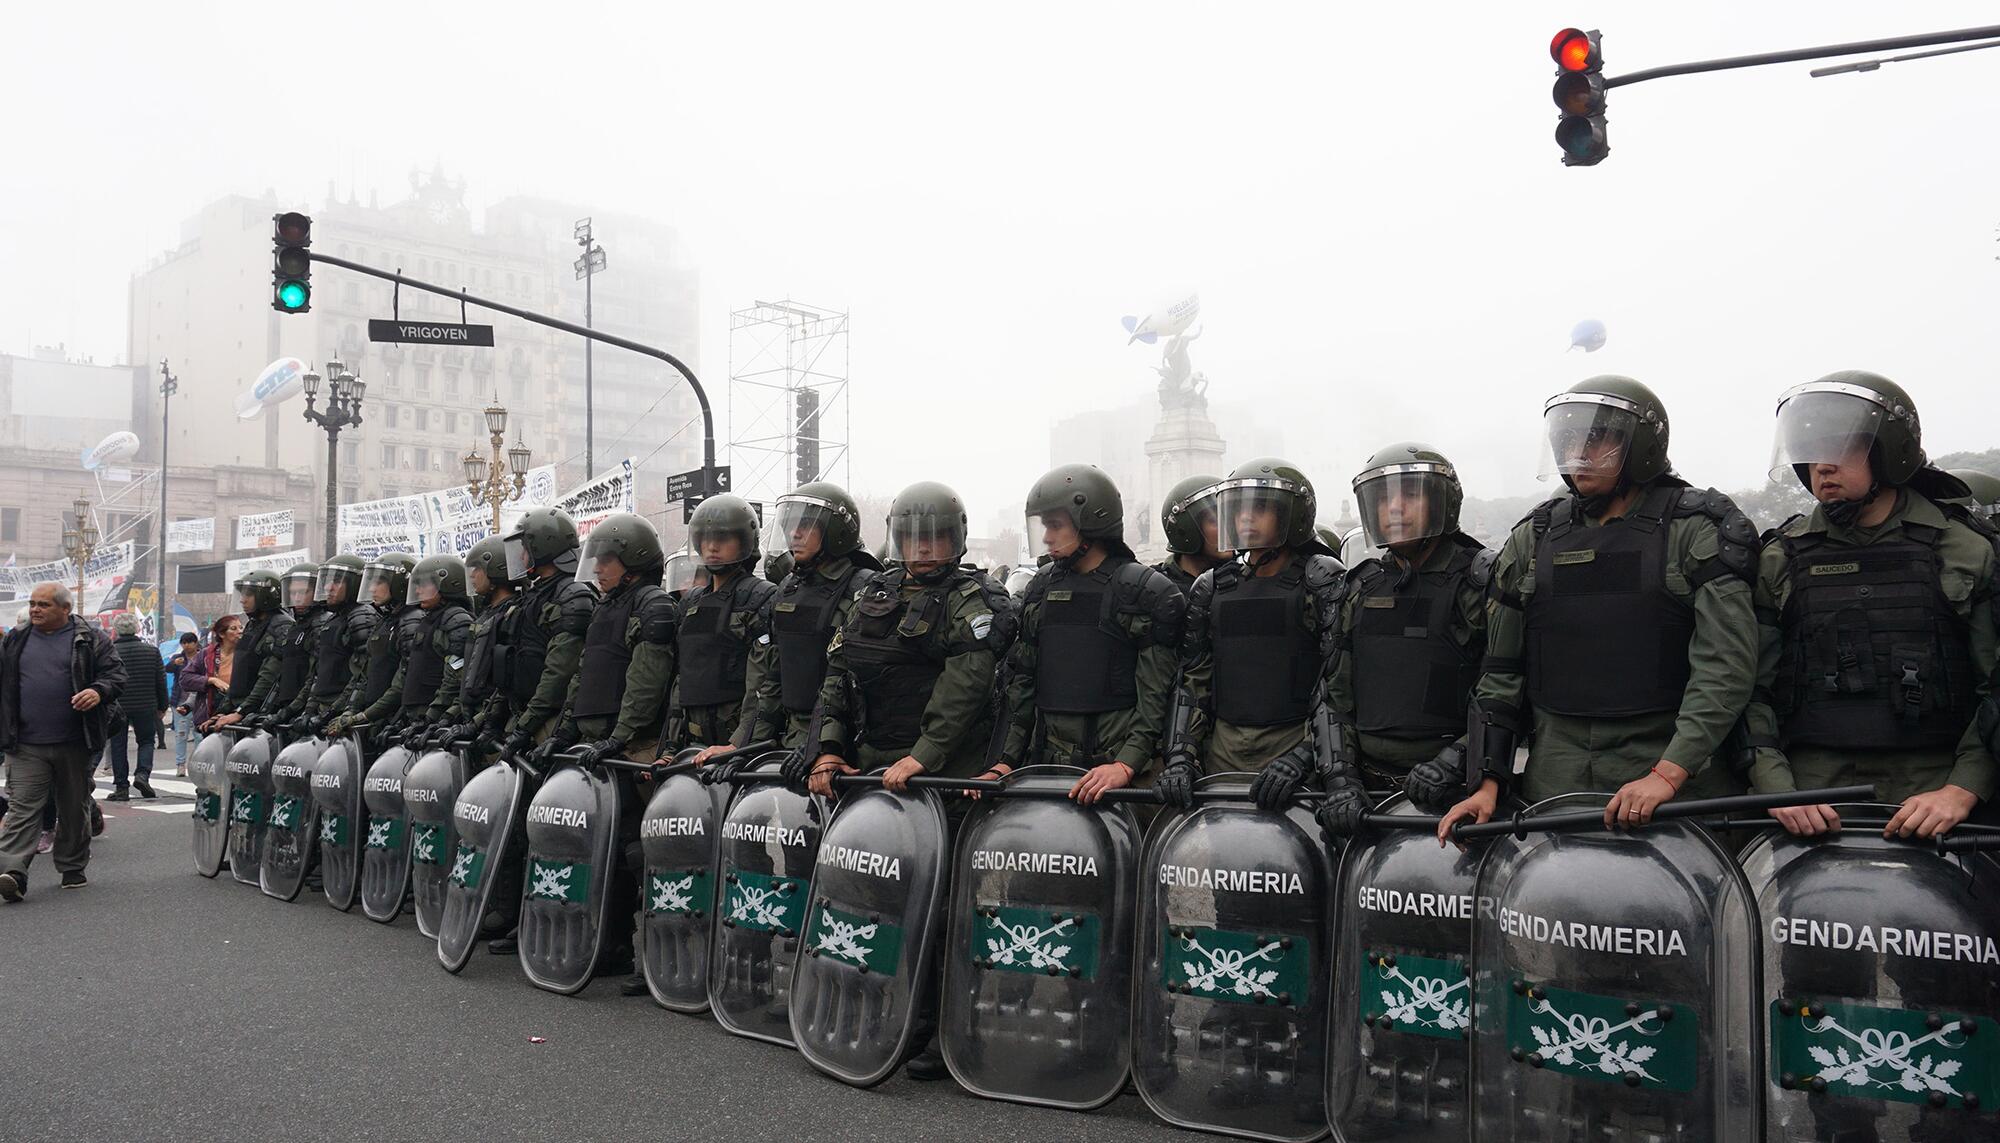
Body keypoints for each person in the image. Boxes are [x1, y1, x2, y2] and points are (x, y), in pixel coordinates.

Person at [1438, 376, 1761, 841]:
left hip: (1670, 790)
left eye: (1596, 437)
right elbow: (1502, 673)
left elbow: (1725, 667)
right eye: (1567, 438)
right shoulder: (1535, 536)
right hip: (1556, 787)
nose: (1579, 451)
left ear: (1641, 445)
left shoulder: (1694, 530)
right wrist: (1487, 781)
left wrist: (1668, 773)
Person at [798, 480, 1016, 1080]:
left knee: (941, 907)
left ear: (958, 538)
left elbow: (966, 688)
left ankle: (936, 1031)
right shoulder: (874, 592)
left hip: (938, 777)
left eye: (936, 537)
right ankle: (873, 1011)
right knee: (867, 896)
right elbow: (839, 674)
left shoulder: (978, 598)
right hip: (875, 770)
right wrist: (829, 750)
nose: (923, 549)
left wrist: (923, 757)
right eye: (913, 537)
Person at [1747, 372, 1999, 838]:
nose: (1821, 468)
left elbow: (1994, 687)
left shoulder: (1964, 550)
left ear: (1889, 451)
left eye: (1840, 449)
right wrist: (1777, 789)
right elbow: (1751, 693)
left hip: (1934, 798)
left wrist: (1963, 789)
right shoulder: (1780, 558)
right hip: (1811, 800)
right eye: (1811, 454)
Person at [1156, 458, 1364, 827]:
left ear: (1292, 515)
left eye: (1261, 508)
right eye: (1238, 509)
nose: (1246, 518)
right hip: (1224, 751)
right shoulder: (1212, 586)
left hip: (1293, 748)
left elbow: (1337, 685)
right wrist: (1179, 759)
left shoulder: (1319, 580)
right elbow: (1193, 681)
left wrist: (1305, 758)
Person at [545, 513, 678, 995]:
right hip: (600, 743)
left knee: (642, 853)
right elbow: (583, 676)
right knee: (602, 848)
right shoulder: (605, 607)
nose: (597, 567)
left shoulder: (652, 605)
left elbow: (646, 682)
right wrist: (564, 732)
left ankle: (657, 958)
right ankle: (615, 944)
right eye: (595, 558)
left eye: (607, 559)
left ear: (635, 561)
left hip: (632, 746)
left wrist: (620, 738)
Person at [996, 464, 1184, 806]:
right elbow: (1022, 684)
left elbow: (1155, 694)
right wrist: (1003, 762)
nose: (1047, 537)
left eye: (1056, 525)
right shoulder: (1040, 587)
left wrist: (1127, 764)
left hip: (1117, 776)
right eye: (1044, 526)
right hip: (1049, 771)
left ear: (1092, 522)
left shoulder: (1140, 591)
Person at [1326, 444, 1492, 811]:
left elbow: (1506, 691)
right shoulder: (1361, 587)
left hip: (1456, 791)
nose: (1395, 508)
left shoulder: (1478, 582)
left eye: (1411, 495)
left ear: (1442, 502)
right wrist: (1341, 780)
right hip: (1366, 790)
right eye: (1383, 499)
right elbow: (1334, 697)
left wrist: (1454, 760)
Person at [0, 582, 127, 900]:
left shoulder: (90, 638)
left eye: (43, 604)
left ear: (65, 609)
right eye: (32, 604)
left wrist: (97, 690)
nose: (35, 610)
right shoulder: (17, 639)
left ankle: (72, 867)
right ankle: (13, 871)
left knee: (73, 808)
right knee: (22, 808)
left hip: (75, 741)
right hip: (26, 742)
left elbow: (116, 675)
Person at [737, 482, 881, 757]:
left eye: (807, 525)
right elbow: (774, 676)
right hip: (792, 738)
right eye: (790, 525)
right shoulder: (789, 587)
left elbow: (852, 677)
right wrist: (745, 747)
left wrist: (821, 748)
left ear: (835, 531)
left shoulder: (864, 587)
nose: (795, 534)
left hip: (845, 747)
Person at [671, 494, 776, 752]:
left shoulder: (761, 596)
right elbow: (681, 680)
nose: (712, 547)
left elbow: (762, 683)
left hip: (738, 744)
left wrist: (737, 745)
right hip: (694, 744)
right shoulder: (691, 602)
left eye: (722, 538)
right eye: (705, 539)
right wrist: (670, 747)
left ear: (744, 541)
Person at [496, 510, 596, 759]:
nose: (520, 555)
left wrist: (525, 726)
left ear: (542, 547)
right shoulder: (535, 594)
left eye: (525, 547)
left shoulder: (572, 594)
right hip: (525, 715)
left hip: (550, 720)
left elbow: (559, 672)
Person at [324, 553, 419, 739]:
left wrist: (365, 715)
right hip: (376, 717)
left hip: (394, 721)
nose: (372, 589)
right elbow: (363, 675)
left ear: (399, 583)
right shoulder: (385, 621)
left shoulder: (411, 619)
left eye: (379, 583)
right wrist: (348, 710)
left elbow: (403, 684)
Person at [206, 570, 292, 731]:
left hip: (261, 713)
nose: (242, 600)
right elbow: (241, 673)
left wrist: (242, 711)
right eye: (242, 594)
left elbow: (269, 676)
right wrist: (223, 711)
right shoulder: (254, 624)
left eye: (248, 595)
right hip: (244, 708)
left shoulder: (281, 626)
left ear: (265, 596)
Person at [103, 611, 168, 800]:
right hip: (146, 705)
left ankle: (121, 787)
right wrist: (163, 706)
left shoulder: (110, 652)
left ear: (115, 630)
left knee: (118, 745)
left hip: (117, 706)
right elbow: (160, 681)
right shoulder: (152, 651)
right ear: (138, 628)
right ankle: (142, 775)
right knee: (146, 741)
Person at [1153, 473, 1229, 595]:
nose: (1229, 529)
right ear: (1186, 528)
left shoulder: (1242, 581)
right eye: (1215, 521)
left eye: (1230, 519)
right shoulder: (1154, 589)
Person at [184, 615, 240, 737]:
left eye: (241, 628)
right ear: (221, 634)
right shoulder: (206, 654)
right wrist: (211, 680)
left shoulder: (246, 654)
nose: (239, 631)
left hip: (238, 714)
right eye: (234, 628)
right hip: (210, 715)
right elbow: (185, 679)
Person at [166, 631, 200, 776]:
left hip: (199, 700)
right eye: (183, 643)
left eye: (189, 642)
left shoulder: (203, 656)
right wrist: (174, 663)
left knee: (199, 735)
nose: (186, 646)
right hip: (179, 701)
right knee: (181, 734)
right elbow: (167, 669)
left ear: (195, 643)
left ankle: (199, 762)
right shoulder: (178, 658)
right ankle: (180, 764)